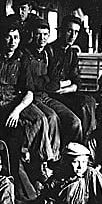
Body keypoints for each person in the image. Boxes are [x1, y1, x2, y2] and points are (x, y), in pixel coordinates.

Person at [0, 20, 58, 201]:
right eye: (8, 37)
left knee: (40, 119)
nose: (12, 41)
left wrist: (17, 110)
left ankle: (38, 164)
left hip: (13, 99)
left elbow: (29, 92)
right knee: (1, 128)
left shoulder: (22, 58)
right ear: (2, 38)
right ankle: (17, 165)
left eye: (16, 37)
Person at [24, 18, 82, 147]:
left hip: (46, 95)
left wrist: (70, 85)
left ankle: (77, 154)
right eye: (38, 34)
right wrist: (65, 83)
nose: (42, 38)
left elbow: (76, 79)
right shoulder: (34, 53)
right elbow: (45, 82)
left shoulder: (47, 53)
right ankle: (52, 159)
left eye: (45, 35)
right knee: (51, 118)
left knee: (76, 120)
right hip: (34, 96)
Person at [47, 15, 97, 140]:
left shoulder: (72, 53)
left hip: (65, 93)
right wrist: (68, 83)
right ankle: (80, 146)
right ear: (61, 30)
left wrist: (68, 86)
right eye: (69, 31)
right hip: (51, 96)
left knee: (90, 101)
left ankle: (89, 141)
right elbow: (51, 83)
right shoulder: (49, 50)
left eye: (76, 32)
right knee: (79, 113)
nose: (72, 36)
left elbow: (76, 80)